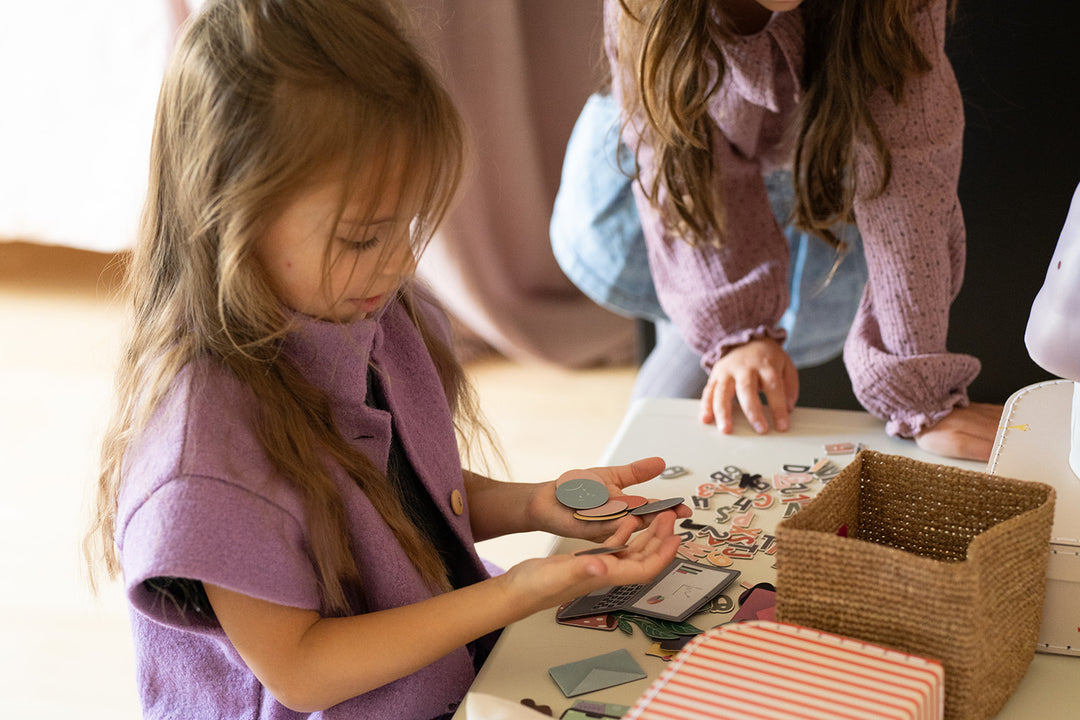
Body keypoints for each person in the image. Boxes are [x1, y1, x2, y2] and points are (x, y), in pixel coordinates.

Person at [82, 2, 686, 718]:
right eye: (364, 237)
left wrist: (532, 504)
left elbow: (387, 497)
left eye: (408, 224)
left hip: (443, 669)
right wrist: (512, 593)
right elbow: (302, 671)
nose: (401, 261)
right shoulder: (201, 457)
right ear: (230, 218)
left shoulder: (361, 307)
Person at [564, 0, 1001, 462]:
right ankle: (631, 500)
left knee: (703, 354)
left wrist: (919, 390)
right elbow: (680, 156)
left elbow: (907, 180)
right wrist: (736, 329)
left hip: (812, 184)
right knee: (692, 341)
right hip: (680, 183)